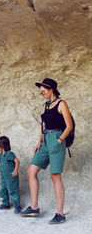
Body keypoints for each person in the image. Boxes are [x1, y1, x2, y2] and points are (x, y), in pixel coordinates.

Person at [20, 78, 73, 224]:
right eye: (41, 92)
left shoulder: (62, 104)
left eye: (43, 91)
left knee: (55, 176)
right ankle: (34, 207)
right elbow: (43, 125)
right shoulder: (45, 106)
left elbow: (69, 126)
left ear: (51, 90)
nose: (41, 93)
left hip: (56, 139)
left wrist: (59, 140)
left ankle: (60, 214)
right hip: (44, 141)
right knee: (31, 171)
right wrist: (39, 141)